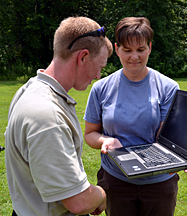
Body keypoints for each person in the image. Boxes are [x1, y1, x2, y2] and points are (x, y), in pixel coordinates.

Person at [84, 17, 187, 216]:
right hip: (116, 180)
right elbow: (90, 134)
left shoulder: (168, 87)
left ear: (150, 47)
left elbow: (164, 138)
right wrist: (106, 140)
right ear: (117, 48)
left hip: (159, 183)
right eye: (127, 50)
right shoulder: (101, 88)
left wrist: (180, 154)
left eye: (140, 49)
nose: (134, 57)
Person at [5, 16, 113, 216]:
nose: (98, 76)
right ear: (83, 57)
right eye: (100, 67)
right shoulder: (47, 115)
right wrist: (100, 194)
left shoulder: (30, 89)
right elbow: (78, 201)